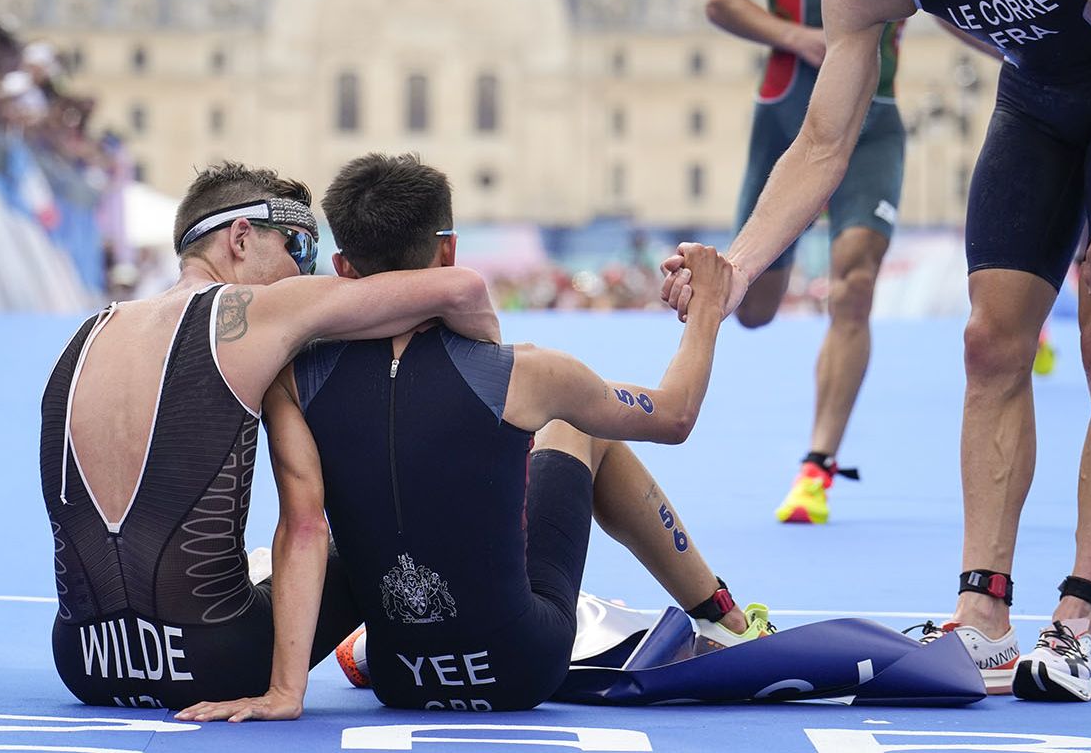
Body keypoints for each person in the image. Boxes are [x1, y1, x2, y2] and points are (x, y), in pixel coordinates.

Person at [662, 0, 1091, 703]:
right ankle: (982, 618)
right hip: (1037, 102)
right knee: (989, 344)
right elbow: (823, 145)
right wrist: (736, 270)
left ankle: (1079, 620)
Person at [177, 154, 768, 719]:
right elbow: (675, 416)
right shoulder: (530, 371)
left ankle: (372, 636)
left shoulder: (296, 380)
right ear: (449, 250)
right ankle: (723, 617)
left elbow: (303, 529)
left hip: (400, 677)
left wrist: (287, 690)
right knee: (576, 423)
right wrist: (709, 306)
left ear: (342, 269)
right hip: (522, 668)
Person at [39, 161, 499, 711]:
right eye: (299, 249)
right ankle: (417, 657)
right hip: (217, 658)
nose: (302, 272)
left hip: (86, 662)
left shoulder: (88, 332)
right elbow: (460, 288)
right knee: (376, 544)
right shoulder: (254, 310)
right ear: (240, 237)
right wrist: (490, 381)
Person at [707, 0, 907, 526]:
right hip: (788, 115)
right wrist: (797, 37)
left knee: (854, 285)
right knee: (754, 306)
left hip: (871, 118)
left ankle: (816, 469)